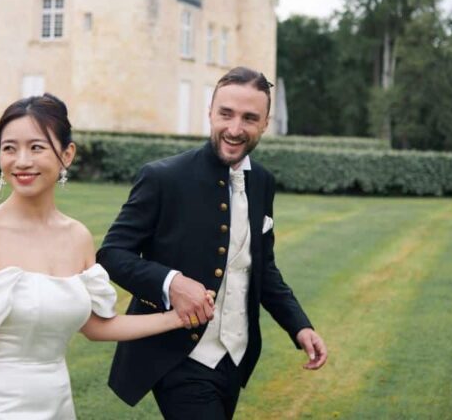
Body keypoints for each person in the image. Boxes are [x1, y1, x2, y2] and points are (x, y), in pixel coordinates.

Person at [0, 93, 212, 420]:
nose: (21, 161)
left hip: (58, 404)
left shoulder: (77, 238)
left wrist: (177, 317)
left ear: (67, 154)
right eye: (9, 148)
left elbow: (95, 326)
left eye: (36, 147)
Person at [98, 66, 328, 419]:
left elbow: (262, 267)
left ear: (266, 123)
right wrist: (171, 282)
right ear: (210, 112)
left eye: (250, 118)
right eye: (226, 114)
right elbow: (112, 254)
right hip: (178, 356)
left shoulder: (262, 181)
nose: (235, 129)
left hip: (235, 358)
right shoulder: (163, 177)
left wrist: (300, 326)